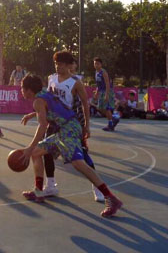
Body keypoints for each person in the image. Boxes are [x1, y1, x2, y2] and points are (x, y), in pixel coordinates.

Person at [18, 75, 124, 217]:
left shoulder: (38, 101)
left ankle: (110, 197)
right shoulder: (45, 94)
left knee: (78, 163)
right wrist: (33, 115)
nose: (21, 91)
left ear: (29, 90)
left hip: (68, 130)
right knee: (36, 153)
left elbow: (43, 125)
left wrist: (30, 146)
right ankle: (38, 191)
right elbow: (53, 109)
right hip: (68, 127)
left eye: (22, 88)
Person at [21, 51, 104, 202]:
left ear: (69, 65)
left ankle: (97, 187)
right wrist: (33, 114)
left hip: (70, 121)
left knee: (82, 155)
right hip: (54, 121)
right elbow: (47, 102)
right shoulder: (52, 79)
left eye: (60, 64)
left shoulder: (76, 82)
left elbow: (85, 104)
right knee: (45, 152)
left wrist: (87, 125)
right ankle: (50, 185)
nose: (57, 66)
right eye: (56, 64)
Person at [93, 58, 117, 131]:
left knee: (106, 108)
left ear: (101, 64)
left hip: (107, 91)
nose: (96, 65)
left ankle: (110, 124)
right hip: (101, 92)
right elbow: (98, 84)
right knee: (100, 108)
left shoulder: (103, 72)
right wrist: (96, 92)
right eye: (95, 64)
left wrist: (107, 94)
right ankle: (113, 118)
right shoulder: (96, 72)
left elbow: (107, 84)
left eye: (98, 64)